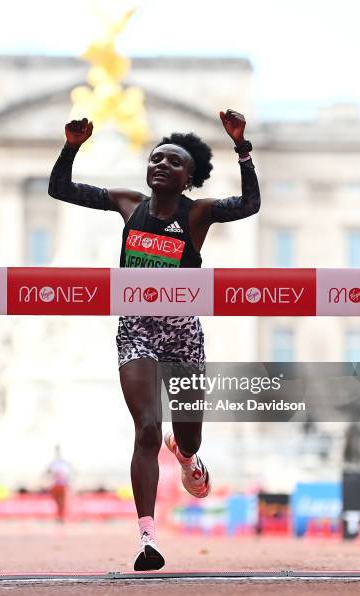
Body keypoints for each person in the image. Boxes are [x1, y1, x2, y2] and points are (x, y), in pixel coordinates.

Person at [48, 109, 260, 570]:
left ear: (188, 178)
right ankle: (147, 538)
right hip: (137, 329)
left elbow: (249, 206)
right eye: (156, 158)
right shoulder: (128, 204)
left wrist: (241, 148)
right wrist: (71, 147)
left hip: (183, 333)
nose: (161, 164)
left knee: (187, 436)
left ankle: (185, 456)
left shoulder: (199, 214)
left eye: (173, 162)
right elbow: (60, 190)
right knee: (146, 426)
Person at [46, 445, 72, 523]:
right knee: (59, 503)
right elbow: (48, 472)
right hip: (57, 485)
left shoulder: (63, 463)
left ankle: (61, 517)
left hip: (61, 485)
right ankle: (59, 517)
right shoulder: (55, 463)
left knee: (61, 503)